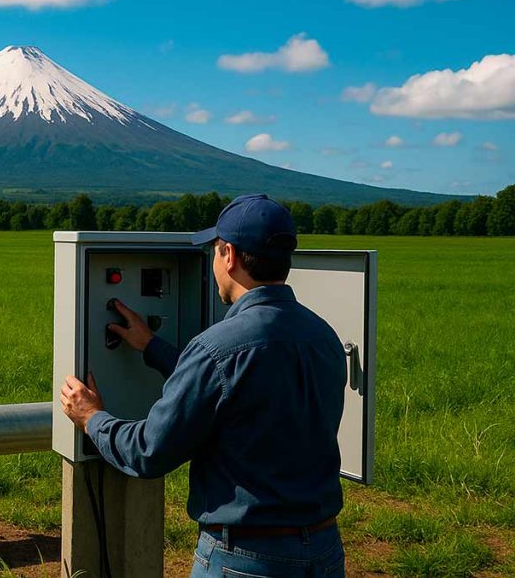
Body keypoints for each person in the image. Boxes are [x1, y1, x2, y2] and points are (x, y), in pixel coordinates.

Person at [59, 194, 347, 577]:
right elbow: (245, 388)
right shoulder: (323, 336)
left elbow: (149, 452)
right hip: (324, 552)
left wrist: (91, 418)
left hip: (245, 558)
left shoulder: (217, 348)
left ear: (230, 255)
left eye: (215, 250)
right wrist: (152, 346)